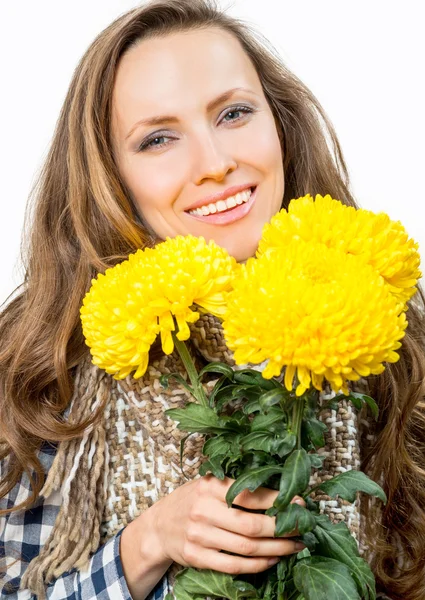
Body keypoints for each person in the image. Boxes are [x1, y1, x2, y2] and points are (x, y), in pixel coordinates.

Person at [1, 0, 424, 599]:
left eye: (233, 113)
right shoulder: (47, 367)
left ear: (278, 122)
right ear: (109, 174)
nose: (217, 164)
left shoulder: (393, 332)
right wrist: (143, 546)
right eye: (158, 138)